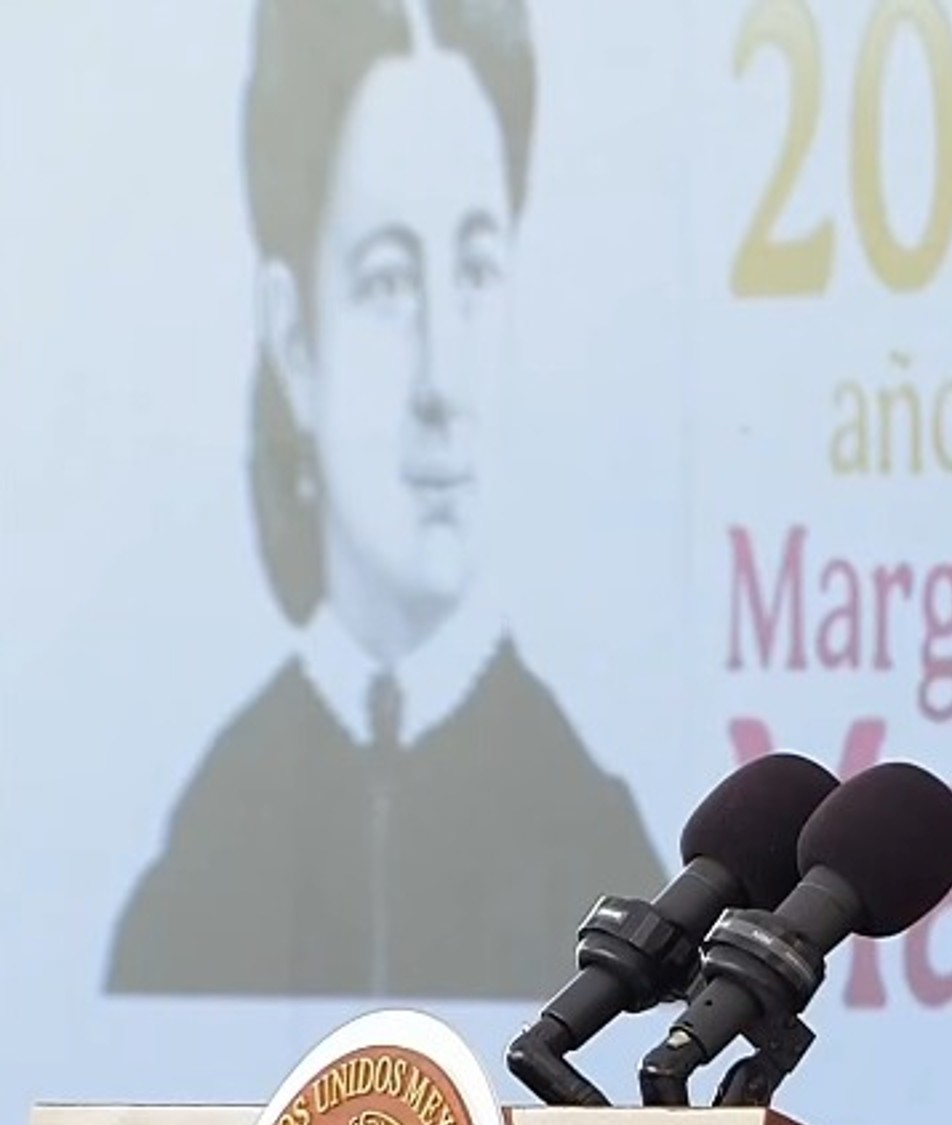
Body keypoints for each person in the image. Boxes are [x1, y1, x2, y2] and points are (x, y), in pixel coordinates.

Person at [105, 0, 666, 1001]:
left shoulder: (602, 847)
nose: (443, 382)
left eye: (477, 269)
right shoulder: (195, 872)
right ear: (293, 337)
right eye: (389, 282)